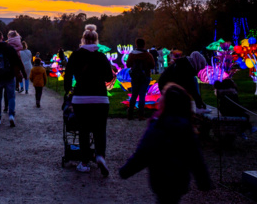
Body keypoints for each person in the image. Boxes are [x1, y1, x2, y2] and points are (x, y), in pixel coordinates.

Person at [119, 84, 212, 203]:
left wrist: (127, 170)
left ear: (164, 104)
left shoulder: (157, 126)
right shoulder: (186, 127)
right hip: (180, 179)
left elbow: (143, 153)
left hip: (160, 178)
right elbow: (195, 157)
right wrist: (203, 180)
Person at [63, 24, 115, 176]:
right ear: (96, 40)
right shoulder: (101, 56)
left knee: (84, 130)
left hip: (81, 98)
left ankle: (84, 161)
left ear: (83, 40)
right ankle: (100, 156)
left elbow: (68, 75)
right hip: (100, 98)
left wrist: (68, 90)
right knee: (100, 130)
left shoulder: (76, 55)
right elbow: (108, 77)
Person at [0, 31, 27, 127]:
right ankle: (11, 116)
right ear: (2, 37)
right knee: (11, 96)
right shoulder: (10, 49)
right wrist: (24, 74)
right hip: (9, 76)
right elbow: (18, 62)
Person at [126, 37, 156, 120]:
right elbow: (153, 65)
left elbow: (128, 65)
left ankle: (130, 114)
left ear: (136, 44)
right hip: (145, 76)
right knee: (142, 95)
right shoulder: (147, 55)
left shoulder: (132, 54)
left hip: (135, 77)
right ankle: (141, 115)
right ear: (144, 44)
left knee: (134, 95)